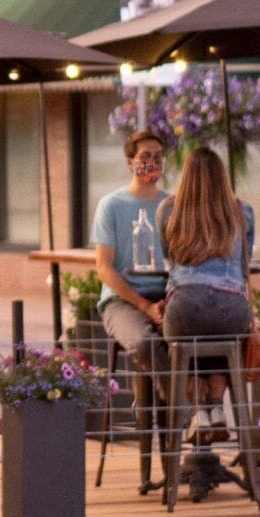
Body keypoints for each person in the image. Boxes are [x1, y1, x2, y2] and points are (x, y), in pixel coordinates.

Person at [157, 146, 257, 501]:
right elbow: (244, 265)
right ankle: (214, 406)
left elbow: (169, 261)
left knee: (178, 342)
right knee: (226, 340)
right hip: (232, 306)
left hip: (185, 305)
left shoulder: (168, 210)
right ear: (223, 177)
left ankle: (198, 411)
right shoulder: (243, 211)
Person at [90, 128, 174, 445]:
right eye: (145, 156)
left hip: (166, 296)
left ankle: (182, 432)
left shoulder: (172, 205)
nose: (152, 162)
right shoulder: (111, 205)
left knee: (194, 339)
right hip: (121, 302)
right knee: (144, 342)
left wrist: (168, 300)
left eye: (158, 156)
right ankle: (184, 407)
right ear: (130, 162)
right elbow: (104, 268)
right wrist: (144, 306)